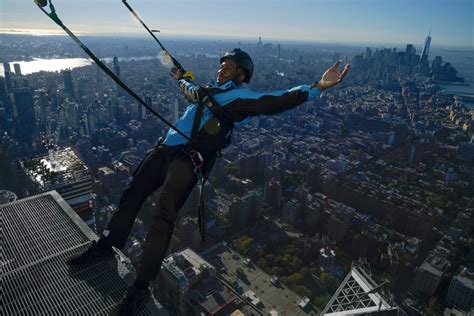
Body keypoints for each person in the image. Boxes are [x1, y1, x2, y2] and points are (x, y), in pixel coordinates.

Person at [66, 48, 349, 315]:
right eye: (222, 66)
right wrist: (180, 78)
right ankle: (106, 246)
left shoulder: (239, 99)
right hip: (165, 149)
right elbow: (191, 90)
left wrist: (317, 87)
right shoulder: (204, 91)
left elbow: (274, 101)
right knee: (132, 193)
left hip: (189, 158)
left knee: (163, 213)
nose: (223, 70)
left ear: (241, 75)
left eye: (230, 68)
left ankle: (140, 288)